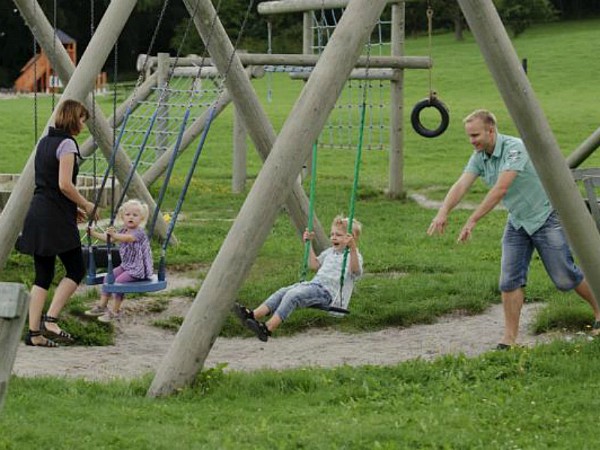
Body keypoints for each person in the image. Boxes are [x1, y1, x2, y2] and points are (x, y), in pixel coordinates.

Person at [427, 109, 600, 349]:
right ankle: (509, 339)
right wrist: (443, 211)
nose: (472, 141)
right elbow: (462, 184)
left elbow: (501, 189)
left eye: (475, 135)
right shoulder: (479, 156)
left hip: (544, 215)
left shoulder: (515, 148)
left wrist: (473, 219)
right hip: (518, 221)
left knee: (564, 277)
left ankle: (599, 311)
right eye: (469, 136)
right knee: (509, 279)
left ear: (491, 130)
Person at [18, 99, 97, 347]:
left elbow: (48, 182)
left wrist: (69, 209)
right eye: (82, 119)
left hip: (39, 212)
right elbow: (64, 184)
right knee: (76, 269)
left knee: (43, 274)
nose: (84, 124)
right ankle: (51, 319)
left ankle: (34, 334)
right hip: (53, 217)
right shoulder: (67, 144)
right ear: (73, 118)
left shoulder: (44, 142)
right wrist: (85, 204)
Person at [234, 215, 363, 341]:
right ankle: (252, 315)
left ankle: (267, 328)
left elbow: (356, 271)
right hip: (314, 285)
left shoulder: (354, 256)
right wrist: (308, 243)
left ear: (351, 238)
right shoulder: (330, 252)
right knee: (283, 292)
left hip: (328, 294)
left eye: (339, 235)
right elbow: (314, 265)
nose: (333, 237)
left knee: (293, 295)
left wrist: (352, 248)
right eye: (332, 234)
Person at [85, 199, 154, 323]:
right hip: (126, 265)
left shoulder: (139, 232)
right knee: (108, 278)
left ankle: (115, 311)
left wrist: (114, 235)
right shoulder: (122, 230)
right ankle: (102, 306)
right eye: (128, 214)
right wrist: (93, 234)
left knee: (118, 283)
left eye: (135, 215)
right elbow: (109, 240)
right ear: (122, 217)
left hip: (138, 268)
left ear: (141, 218)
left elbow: (128, 238)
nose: (131, 217)